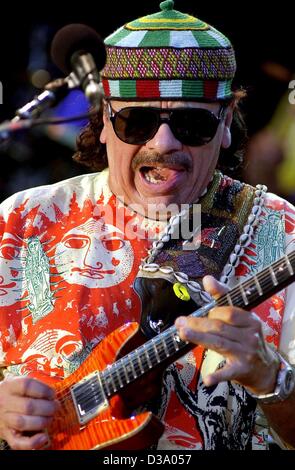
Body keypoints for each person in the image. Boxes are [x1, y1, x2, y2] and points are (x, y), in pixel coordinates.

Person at [0, 0, 295, 451]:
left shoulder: (284, 233)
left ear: (227, 125)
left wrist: (272, 378)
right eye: (136, 121)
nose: (163, 143)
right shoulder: (22, 221)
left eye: (192, 124)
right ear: (103, 121)